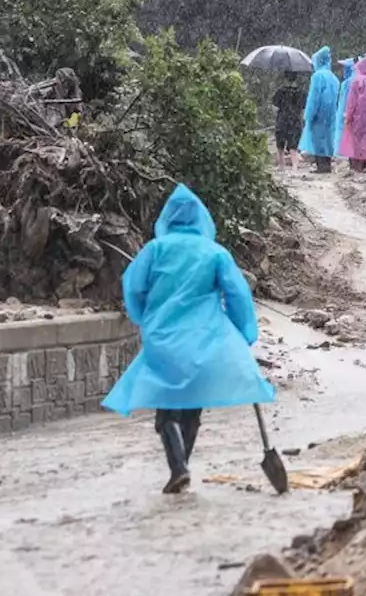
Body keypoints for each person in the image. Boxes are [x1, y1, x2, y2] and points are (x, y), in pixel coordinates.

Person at [102, 185, 275, 493]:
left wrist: (143, 317)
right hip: (204, 338)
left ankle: (179, 469)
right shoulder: (215, 253)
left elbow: (133, 286)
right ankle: (182, 468)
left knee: (166, 409)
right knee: (192, 406)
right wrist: (243, 332)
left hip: (163, 337)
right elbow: (237, 294)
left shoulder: (155, 250)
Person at [298, 47, 340, 174]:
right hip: (331, 113)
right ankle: (327, 165)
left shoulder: (317, 76)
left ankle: (321, 167)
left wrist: (308, 114)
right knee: (328, 139)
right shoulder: (333, 77)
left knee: (318, 140)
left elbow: (314, 97)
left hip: (319, 114)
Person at [271, 72, 304, 169]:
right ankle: (295, 165)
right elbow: (303, 107)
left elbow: (275, 105)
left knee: (280, 143)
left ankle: (281, 164)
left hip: (282, 119)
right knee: (294, 144)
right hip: (295, 119)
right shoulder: (300, 92)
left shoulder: (280, 91)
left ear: (285, 78)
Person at [332, 57, 357, 170]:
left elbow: (347, 100)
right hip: (351, 115)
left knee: (344, 137)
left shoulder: (348, 83)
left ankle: (343, 158)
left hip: (345, 114)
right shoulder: (354, 80)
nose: (342, 70)